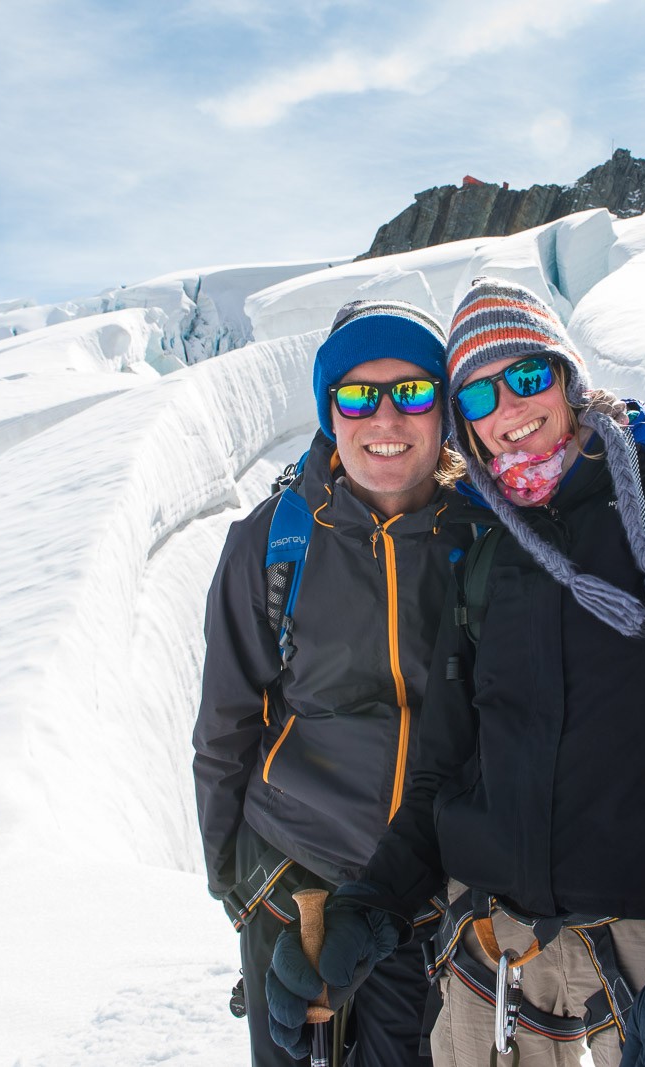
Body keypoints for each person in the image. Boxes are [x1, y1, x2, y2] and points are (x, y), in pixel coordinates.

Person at [265, 278, 645, 1067]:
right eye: (479, 394)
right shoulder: (488, 561)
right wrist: (369, 906)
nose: (508, 408)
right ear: (465, 424)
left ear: (568, 377)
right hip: (496, 957)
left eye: (526, 376)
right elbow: (447, 773)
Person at [194, 298, 477, 1066]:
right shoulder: (272, 543)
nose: (385, 417)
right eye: (357, 394)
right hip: (297, 883)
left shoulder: (484, 537)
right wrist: (243, 894)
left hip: (428, 897)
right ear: (330, 413)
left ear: (446, 411)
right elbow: (225, 728)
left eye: (412, 391)